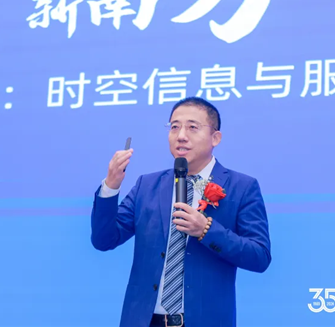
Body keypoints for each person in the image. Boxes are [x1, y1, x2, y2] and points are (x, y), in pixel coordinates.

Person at [91, 97, 271, 327]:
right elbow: (104, 240)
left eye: (192, 127)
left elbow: (259, 256)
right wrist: (111, 186)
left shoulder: (242, 187)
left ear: (215, 137)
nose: (181, 135)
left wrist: (206, 230)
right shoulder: (147, 186)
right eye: (175, 127)